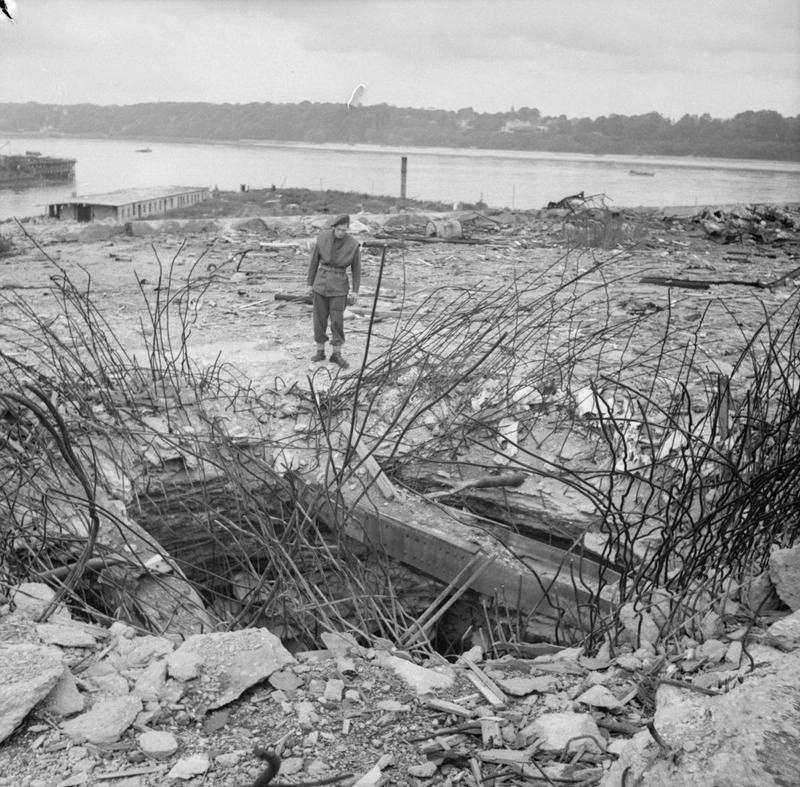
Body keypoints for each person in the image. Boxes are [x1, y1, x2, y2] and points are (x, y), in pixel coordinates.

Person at [306, 214, 361, 369]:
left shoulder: (353, 244)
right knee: (319, 319)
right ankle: (320, 351)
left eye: (344, 230)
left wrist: (355, 291)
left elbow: (356, 269)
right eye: (338, 229)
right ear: (334, 228)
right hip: (320, 284)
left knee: (337, 321)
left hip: (339, 287)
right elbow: (314, 262)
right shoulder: (322, 238)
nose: (341, 233)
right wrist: (310, 283)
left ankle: (336, 354)